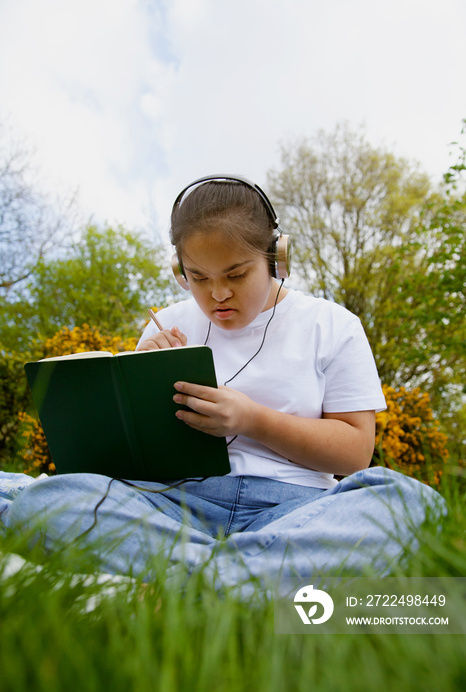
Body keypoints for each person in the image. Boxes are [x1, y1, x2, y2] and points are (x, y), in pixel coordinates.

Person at [1, 175, 446, 593]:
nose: (217, 295)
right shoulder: (170, 324)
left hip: (294, 510)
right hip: (173, 506)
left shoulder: (333, 324)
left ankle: (170, 579)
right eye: (198, 278)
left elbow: (354, 453)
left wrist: (253, 419)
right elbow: (126, 465)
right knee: (54, 499)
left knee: (404, 502)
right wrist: (139, 393)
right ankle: (245, 583)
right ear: (181, 268)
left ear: (277, 257)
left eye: (235, 275)